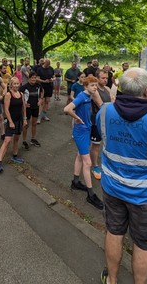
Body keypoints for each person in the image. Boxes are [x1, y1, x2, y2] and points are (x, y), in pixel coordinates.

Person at [96, 67, 147, 284]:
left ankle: (111, 280)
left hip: (112, 188)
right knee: (142, 244)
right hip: (145, 194)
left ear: (120, 88)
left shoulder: (104, 111)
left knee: (114, 232)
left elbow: (102, 132)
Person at [63, 75, 104, 210]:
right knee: (88, 162)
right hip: (80, 131)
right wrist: (77, 118)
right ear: (86, 86)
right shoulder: (82, 96)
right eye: (92, 85)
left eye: (95, 85)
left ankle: (75, 181)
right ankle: (90, 195)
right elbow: (67, 109)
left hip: (86, 129)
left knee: (80, 156)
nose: (95, 87)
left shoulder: (89, 95)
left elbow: (99, 102)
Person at [0, 77, 28, 173]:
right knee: (7, 140)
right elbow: (6, 109)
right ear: (11, 85)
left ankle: (14, 156)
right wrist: (10, 121)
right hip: (11, 121)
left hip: (19, 120)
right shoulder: (8, 95)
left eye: (18, 84)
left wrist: (25, 119)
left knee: (17, 138)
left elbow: (23, 108)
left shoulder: (21, 94)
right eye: (15, 84)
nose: (17, 85)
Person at [89, 69, 112, 181]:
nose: (105, 80)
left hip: (106, 120)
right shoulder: (94, 90)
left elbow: (113, 102)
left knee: (105, 144)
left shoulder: (107, 89)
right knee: (96, 145)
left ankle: (103, 164)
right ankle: (95, 167)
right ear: (97, 78)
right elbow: (101, 105)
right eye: (102, 78)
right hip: (95, 121)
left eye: (106, 78)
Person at [19, 72, 44, 149]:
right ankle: (24, 141)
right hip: (28, 109)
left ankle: (33, 139)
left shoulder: (38, 85)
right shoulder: (24, 87)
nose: (33, 79)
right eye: (32, 78)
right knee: (26, 125)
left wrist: (41, 99)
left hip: (35, 107)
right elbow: (18, 95)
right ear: (29, 78)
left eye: (35, 78)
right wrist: (24, 103)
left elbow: (42, 91)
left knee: (34, 124)